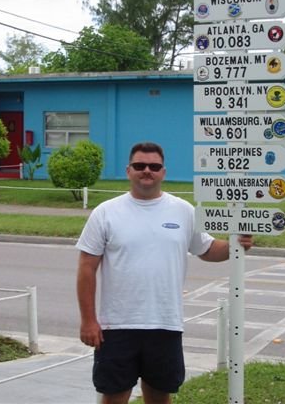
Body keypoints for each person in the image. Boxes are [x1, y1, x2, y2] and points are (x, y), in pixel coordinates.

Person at [76, 142, 253, 404]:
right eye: (139, 166)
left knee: (160, 396)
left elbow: (206, 249)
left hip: (166, 324)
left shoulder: (183, 210)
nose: (146, 171)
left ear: (163, 172)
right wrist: (88, 321)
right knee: (113, 396)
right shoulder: (106, 212)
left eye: (154, 166)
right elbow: (86, 268)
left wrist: (234, 246)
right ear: (128, 170)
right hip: (116, 326)